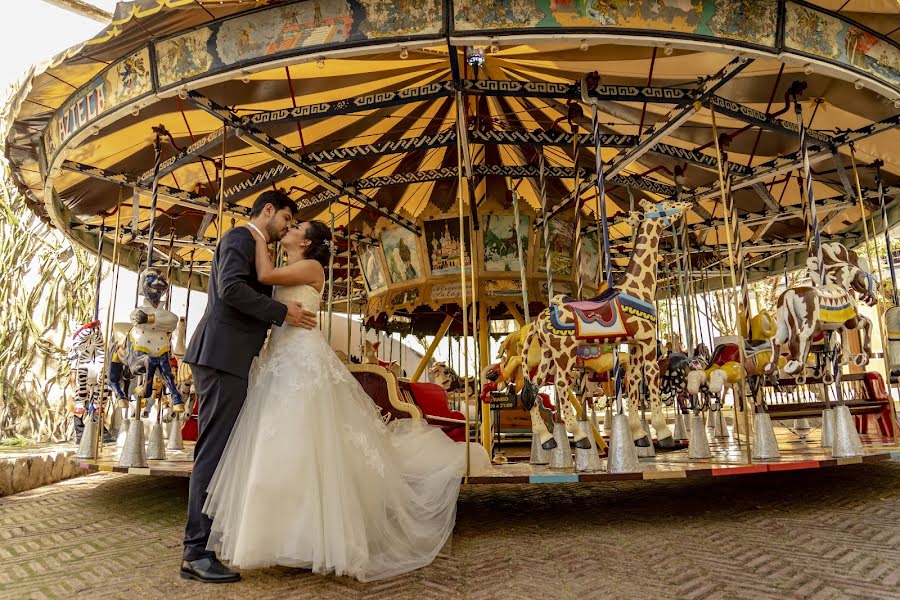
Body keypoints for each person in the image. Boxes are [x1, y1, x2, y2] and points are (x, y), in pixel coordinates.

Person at [200, 220, 492, 582]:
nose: (287, 229)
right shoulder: (292, 266)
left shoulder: (310, 267)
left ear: (306, 241)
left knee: (307, 444)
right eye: (287, 223)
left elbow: (263, 273)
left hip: (300, 358)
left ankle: (315, 537)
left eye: (294, 227)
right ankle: (288, 537)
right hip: (280, 358)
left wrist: (257, 232)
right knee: (280, 448)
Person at [180, 190, 318, 584]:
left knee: (222, 451)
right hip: (221, 355)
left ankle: (203, 547)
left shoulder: (256, 245)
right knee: (213, 452)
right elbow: (231, 289)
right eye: (287, 219)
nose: (288, 227)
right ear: (269, 210)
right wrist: (281, 312)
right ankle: (195, 552)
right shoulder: (240, 238)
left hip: (231, 358)